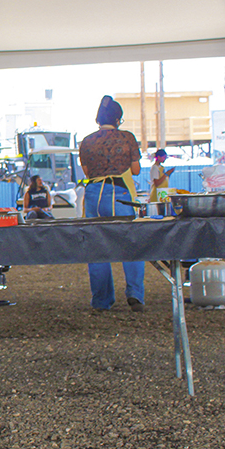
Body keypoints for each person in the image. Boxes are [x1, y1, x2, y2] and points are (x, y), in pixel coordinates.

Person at [78, 95, 145, 313]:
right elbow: (135, 170)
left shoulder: (86, 141)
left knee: (97, 247)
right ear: (118, 118)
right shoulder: (127, 138)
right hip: (119, 192)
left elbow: (87, 172)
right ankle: (135, 293)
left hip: (93, 194)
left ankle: (101, 300)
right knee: (131, 244)